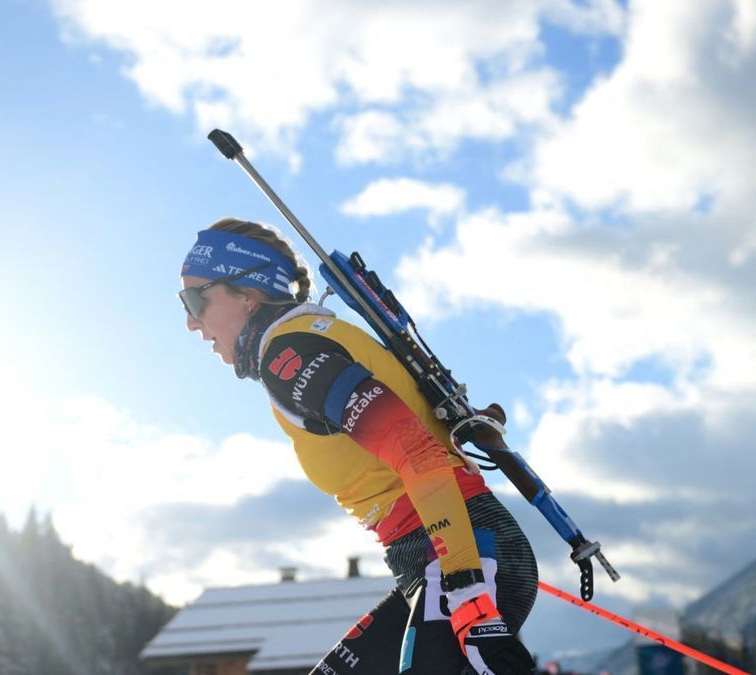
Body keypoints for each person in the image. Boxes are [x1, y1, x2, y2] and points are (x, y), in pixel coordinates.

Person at [179, 218, 538, 674]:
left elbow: (415, 452)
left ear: (246, 294)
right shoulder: (310, 336)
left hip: (460, 551)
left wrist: (467, 589)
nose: (192, 322)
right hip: (443, 554)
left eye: (196, 300)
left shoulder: (290, 356)